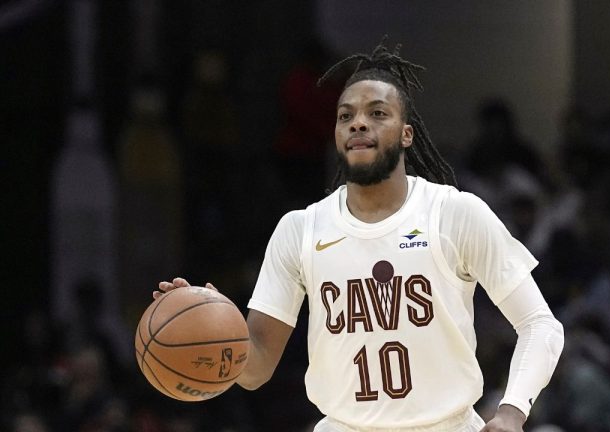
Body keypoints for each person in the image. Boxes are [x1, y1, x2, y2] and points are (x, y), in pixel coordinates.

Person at [156, 39, 564, 432]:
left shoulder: (455, 214)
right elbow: (256, 368)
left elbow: (540, 324)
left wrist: (511, 413)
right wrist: (215, 329)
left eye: (377, 113)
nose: (359, 123)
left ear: (407, 133)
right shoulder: (299, 229)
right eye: (345, 115)